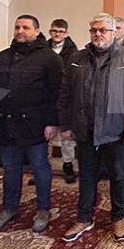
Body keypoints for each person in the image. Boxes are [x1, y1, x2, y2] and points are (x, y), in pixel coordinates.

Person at [59, 13, 124, 243]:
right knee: (86, 176)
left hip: (115, 131)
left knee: (118, 177)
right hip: (85, 129)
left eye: (103, 30)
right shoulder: (77, 59)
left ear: (113, 32)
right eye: (94, 30)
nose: (98, 34)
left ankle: (118, 218)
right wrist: (66, 124)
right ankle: (84, 218)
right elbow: (65, 94)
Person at [0, 15, 63, 233]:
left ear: (37, 31)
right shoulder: (3, 56)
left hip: (35, 124)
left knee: (39, 167)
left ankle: (43, 209)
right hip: (5, 123)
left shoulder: (49, 58)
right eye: (17, 27)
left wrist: (53, 123)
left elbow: (57, 93)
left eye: (26, 27)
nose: (20, 31)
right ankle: (9, 208)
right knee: (10, 168)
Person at [47, 18, 78, 183]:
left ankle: (68, 165)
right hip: (46, 98)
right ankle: (44, 168)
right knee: (46, 134)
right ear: (50, 32)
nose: (57, 34)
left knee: (67, 135)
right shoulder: (43, 49)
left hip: (66, 97)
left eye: (60, 31)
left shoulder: (74, 52)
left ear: (66, 33)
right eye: (54, 31)